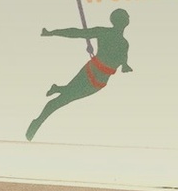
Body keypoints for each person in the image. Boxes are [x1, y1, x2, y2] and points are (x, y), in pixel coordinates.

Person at [27, 10, 132, 141]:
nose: (128, 18)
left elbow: (122, 58)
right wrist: (52, 32)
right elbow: (76, 33)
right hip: (91, 73)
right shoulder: (104, 32)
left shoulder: (124, 43)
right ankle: (38, 122)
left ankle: (58, 88)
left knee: (69, 95)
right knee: (63, 100)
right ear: (119, 20)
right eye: (126, 16)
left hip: (100, 82)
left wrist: (125, 65)